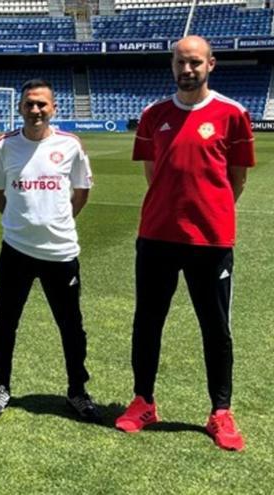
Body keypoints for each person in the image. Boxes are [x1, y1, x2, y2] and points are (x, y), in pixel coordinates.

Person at [115, 36, 254, 451]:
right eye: (180, 62)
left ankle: (220, 412)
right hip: (156, 236)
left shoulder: (233, 114)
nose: (186, 69)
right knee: (147, 322)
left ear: (211, 64)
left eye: (195, 62)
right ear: (172, 65)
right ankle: (143, 400)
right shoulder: (153, 114)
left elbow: (237, 178)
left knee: (215, 328)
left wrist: (210, 213)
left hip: (210, 241)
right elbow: (153, 173)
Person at [0, 79, 100, 422]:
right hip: (16, 249)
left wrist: (54, 222)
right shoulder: (4, 145)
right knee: (5, 320)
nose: (36, 110)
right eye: (30, 104)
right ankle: (1, 385)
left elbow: (81, 192)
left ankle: (77, 391)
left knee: (71, 326)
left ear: (53, 109)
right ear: (20, 108)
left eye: (42, 105)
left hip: (60, 251)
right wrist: (21, 221)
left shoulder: (71, 145)